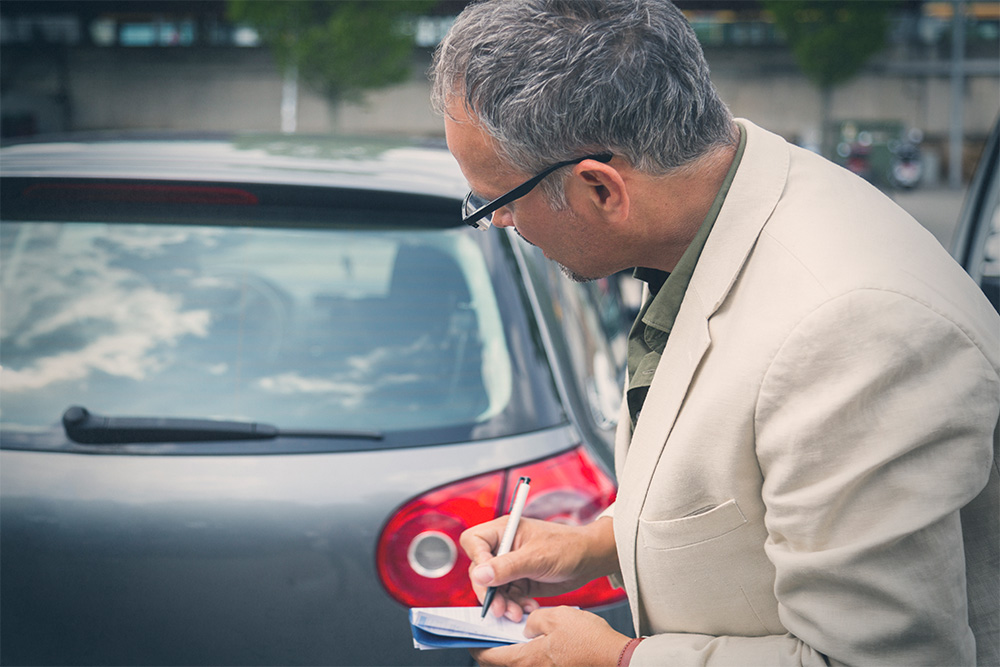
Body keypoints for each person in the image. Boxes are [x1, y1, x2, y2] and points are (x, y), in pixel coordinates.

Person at [431, 1, 1000, 665]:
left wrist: (618, 660)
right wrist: (596, 544)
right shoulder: (725, 194)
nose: (499, 223)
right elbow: (754, 491)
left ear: (600, 189)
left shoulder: (850, 329)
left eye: (498, 203)